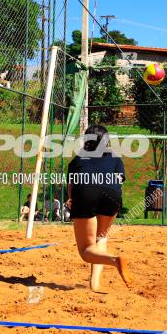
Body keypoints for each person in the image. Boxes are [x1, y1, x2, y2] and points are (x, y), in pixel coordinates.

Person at [66, 125, 131, 292]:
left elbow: (72, 184)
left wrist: (72, 199)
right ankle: (94, 284)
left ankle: (115, 260)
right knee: (101, 238)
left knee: (86, 250)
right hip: (112, 194)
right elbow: (119, 182)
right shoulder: (115, 157)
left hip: (86, 191)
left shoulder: (79, 158)